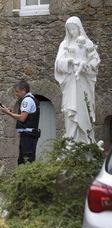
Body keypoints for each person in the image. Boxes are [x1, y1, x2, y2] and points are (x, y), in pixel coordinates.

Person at [54, 16, 100, 144]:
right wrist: (69, 61)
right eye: (69, 30)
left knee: (84, 108)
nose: (72, 32)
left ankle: (86, 141)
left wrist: (88, 66)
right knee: (70, 110)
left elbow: (95, 60)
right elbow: (58, 64)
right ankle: (71, 140)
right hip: (70, 82)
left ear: (79, 28)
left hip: (83, 82)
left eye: (74, 29)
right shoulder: (64, 44)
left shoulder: (87, 43)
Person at [0, 81, 40, 165]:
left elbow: (22, 118)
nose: (16, 94)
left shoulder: (27, 100)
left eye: (17, 91)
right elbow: (26, 116)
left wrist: (8, 113)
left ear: (24, 90)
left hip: (28, 135)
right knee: (22, 161)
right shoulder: (30, 99)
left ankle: (29, 178)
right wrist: (10, 111)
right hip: (28, 135)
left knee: (27, 161)